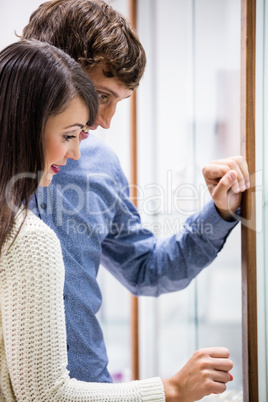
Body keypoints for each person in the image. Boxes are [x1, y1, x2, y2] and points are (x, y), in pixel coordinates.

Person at [21, 0, 249, 385]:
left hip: (93, 387)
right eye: (101, 96)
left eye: (117, 102)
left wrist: (220, 212)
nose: (105, 121)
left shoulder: (100, 164)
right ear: (50, 71)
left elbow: (148, 270)